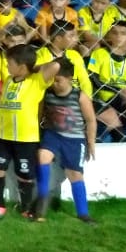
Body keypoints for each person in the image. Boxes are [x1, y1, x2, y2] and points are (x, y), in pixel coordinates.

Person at [0, 45, 62, 218]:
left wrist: (31, 67)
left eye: (10, 63)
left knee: (25, 174)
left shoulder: (36, 81)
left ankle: (26, 207)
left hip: (25, 137)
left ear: (22, 66)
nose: (6, 66)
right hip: (2, 135)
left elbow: (56, 66)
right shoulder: (8, 80)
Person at [34, 59, 98, 224]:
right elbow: (39, 115)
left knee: (74, 174)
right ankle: (42, 198)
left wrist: (91, 142)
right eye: (53, 80)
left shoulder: (80, 96)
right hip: (52, 134)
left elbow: (90, 120)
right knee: (43, 156)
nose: (55, 84)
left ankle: (83, 213)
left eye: (58, 80)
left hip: (74, 139)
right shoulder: (46, 93)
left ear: (69, 78)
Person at [87, 20, 126, 141]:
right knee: (112, 120)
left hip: (123, 99)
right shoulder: (98, 54)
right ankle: (122, 144)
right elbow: (93, 79)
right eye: (115, 33)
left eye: (123, 33)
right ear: (109, 35)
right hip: (102, 97)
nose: (118, 37)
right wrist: (118, 90)